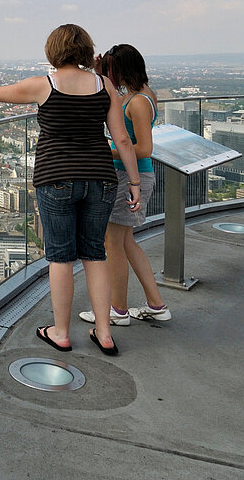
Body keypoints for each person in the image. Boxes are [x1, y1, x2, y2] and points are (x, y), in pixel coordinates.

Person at [0, 24, 141, 356]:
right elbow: (121, 139)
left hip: (56, 177)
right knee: (95, 254)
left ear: (53, 49)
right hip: (102, 178)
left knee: (60, 258)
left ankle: (61, 332)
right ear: (85, 50)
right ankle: (104, 333)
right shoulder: (104, 85)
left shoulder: (43, 85)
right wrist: (134, 183)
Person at [78, 44, 170, 327]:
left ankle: (116, 309)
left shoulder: (138, 102)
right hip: (133, 176)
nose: (110, 76)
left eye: (111, 70)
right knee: (127, 242)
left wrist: (106, 151)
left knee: (113, 244)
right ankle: (156, 304)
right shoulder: (141, 94)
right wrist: (96, 70)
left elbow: (143, 148)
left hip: (132, 177)